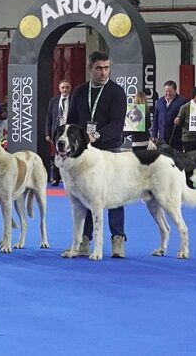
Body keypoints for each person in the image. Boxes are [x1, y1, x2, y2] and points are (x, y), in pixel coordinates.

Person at [66, 51, 128, 258]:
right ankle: (84, 239)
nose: (103, 72)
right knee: (86, 195)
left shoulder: (117, 92)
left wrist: (97, 135)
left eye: (106, 68)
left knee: (115, 195)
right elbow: (71, 122)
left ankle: (117, 238)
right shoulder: (80, 91)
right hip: (85, 152)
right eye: (99, 68)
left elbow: (117, 124)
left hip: (109, 149)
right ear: (90, 69)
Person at [176, 86, 196, 187]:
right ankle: (188, 184)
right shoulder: (185, 107)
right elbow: (179, 119)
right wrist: (177, 120)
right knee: (188, 163)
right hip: (189, 139)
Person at [45, 79, 71, 186]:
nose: (65, 89)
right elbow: (49, 118)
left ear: (70, 88)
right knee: (58, 154)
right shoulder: (54, 101)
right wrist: (47, 133)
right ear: (59, 89)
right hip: (57, 131)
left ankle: (69, 179)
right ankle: (56, 178)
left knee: (70, 155)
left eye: (67, 87)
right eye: (63, 87)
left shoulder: (74, 100)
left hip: (69, 130)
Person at [151, 80, 187, 150]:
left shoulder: (182, 101)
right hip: (161, 138)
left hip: (176, 137)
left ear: (175, 90)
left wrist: (180, 121)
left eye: (170, 91)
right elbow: (155, 120)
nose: (168, 93)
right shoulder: (159, 101)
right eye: (166, 91)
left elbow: (185, 118)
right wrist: (153, 135)